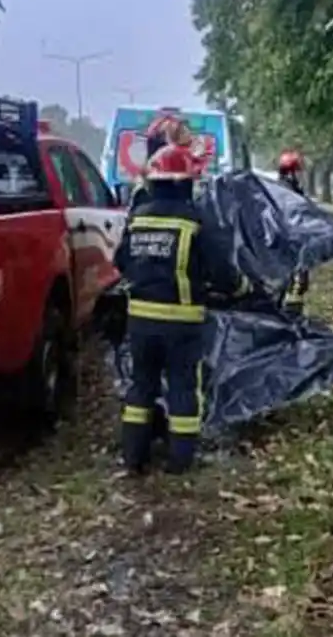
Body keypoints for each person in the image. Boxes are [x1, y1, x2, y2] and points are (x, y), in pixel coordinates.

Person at [114, 142, 249, 475]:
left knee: (141, 386)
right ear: (185, 182)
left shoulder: (137, 219)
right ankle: (180, 461)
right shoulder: (195, 221)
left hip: (141, 321)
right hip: (182, 324)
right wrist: (243, 289)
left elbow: (120, 262)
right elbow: (221, 272)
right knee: (183, 388)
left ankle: (134, 458)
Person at [277, 149, 309, 311]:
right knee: (295, 283)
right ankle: (291, 314)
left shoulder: (288, 190)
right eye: (298, 171)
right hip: (291, 244)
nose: (301, 175)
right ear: (290, 173)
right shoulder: (287, 193)